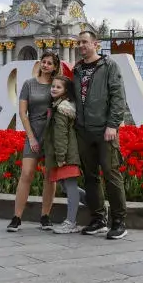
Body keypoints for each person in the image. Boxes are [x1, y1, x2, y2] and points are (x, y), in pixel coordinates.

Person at [73, 29, 128, 239]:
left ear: (96, 44)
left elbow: (118, 97)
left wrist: (113, 125)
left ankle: (119, 221)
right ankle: (98, 219)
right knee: (90, 176)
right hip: (83, 131)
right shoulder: (78, 70)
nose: (81, 46)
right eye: (79, 42)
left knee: (111, 174)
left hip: (105, 130)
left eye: (85, 42)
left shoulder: (109, 66)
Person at [6, 51, 59, 232]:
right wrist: (31, 137)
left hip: (51, 135)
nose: (45, 65)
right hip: (33, 133)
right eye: (43, 62)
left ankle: (45, 216)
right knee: (27, 173)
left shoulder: (57, 85)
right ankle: (16, 217)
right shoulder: (29, 84)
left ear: (54, 67)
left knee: (50, 177)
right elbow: (22, 112)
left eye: (49, 63)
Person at [43, 75, 83, 234]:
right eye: (53, 86)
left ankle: (71, 222)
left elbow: (61, 136)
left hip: (65, 155)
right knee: (66, 186)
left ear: (66, 91)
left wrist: (60, 157)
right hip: (66, 153)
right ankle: (97, 206)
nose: (54, 89)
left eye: (58, 87)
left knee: (70, 186)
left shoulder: (61, 109)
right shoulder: (59, 106)